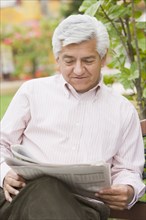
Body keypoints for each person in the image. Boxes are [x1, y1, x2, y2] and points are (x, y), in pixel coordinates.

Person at [0, 14, 145, 220]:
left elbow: (128, 169)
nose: (78, 70)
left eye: (88, 60)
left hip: (83, 207)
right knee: (46, 188)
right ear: (57, 58)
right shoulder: (32, 92)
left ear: (103, 58)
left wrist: (128, 189)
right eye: (69, 61)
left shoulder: (122, 111)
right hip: (21, 197)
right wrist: (5, 173)